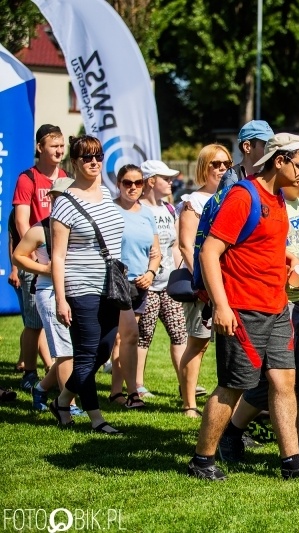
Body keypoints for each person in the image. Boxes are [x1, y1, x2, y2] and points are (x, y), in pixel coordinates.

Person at [187, 133, 299, 481]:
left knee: (284, 383)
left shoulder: (280, 199)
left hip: (277, 306)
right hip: (242, 308)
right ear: (279, 161)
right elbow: (210, 252)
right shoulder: (244, 195)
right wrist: (221, 306)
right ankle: (202, 460)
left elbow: (265, 244)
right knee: (233, 386)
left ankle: (292, 463)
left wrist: (298, 260)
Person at [49, 135, 126, 434]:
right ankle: (97, 419)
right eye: (86, 157)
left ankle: (63, 399)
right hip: (80, 287)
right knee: (87, 353)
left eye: (98, 156)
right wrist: (60, 299)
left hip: (111, 286)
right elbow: (57, 256)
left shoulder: (107, 194)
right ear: (75, 162)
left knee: (104, 350)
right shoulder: (65, 203)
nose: (94, 162)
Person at [12, 178, 84, 415]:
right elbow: (18, 256)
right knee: (65, 351)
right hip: (49, 292)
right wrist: (45, 269)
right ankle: (68, 405)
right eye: (57, 197)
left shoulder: (80, 227)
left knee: (78, 350)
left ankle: (41, 388)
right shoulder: (39, 228)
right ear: (51, 199)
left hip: (76, 290)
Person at [177, 144, 232, 417]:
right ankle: (188, 403)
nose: (222, 169)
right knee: (198, 344)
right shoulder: (193, 202)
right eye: (215, 164)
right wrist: (207, 285)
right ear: (203, 167)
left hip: (228, 284)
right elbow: (187, 247)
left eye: (226, 163)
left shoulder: (232, 198)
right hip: (202, 285)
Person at [11, 124, 66, 390]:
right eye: (54, 145)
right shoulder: (28, 179)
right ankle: (30, 374)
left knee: (59, 318)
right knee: (34, 322)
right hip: (35, 258)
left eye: (61, 145)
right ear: (40, 147)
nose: (59, 150)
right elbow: (22, 221)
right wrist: (33, 257)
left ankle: (57, 369)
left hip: (60, 257)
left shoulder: (65, 178)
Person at [108, 165, 161, 409]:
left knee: (124, 339)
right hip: (116, 282)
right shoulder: (109, 209)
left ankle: (116, 392)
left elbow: (155, 252)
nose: (132, 187)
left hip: (141, 284)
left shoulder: (147, 214)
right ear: (118, 184)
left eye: (138, 183)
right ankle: (132, 393)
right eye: (127, 183)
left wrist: (151, 272)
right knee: (127, 337)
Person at [136, 160, 188, 398]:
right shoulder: (137, 209)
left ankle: (185, 383)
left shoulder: (169, 209)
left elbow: (175, 246)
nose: (170, 182)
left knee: (180, 333)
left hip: (168, 284)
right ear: (150, 181)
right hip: (145, 284)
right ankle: (137, 385)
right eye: (165, 178)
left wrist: (179, 275)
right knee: (142, 336)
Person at [217, 120, 274, 190]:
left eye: (272, 145)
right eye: (265, 145)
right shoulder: (232, 178)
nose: (271, 149)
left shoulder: (268, 176)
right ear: (247, 147)